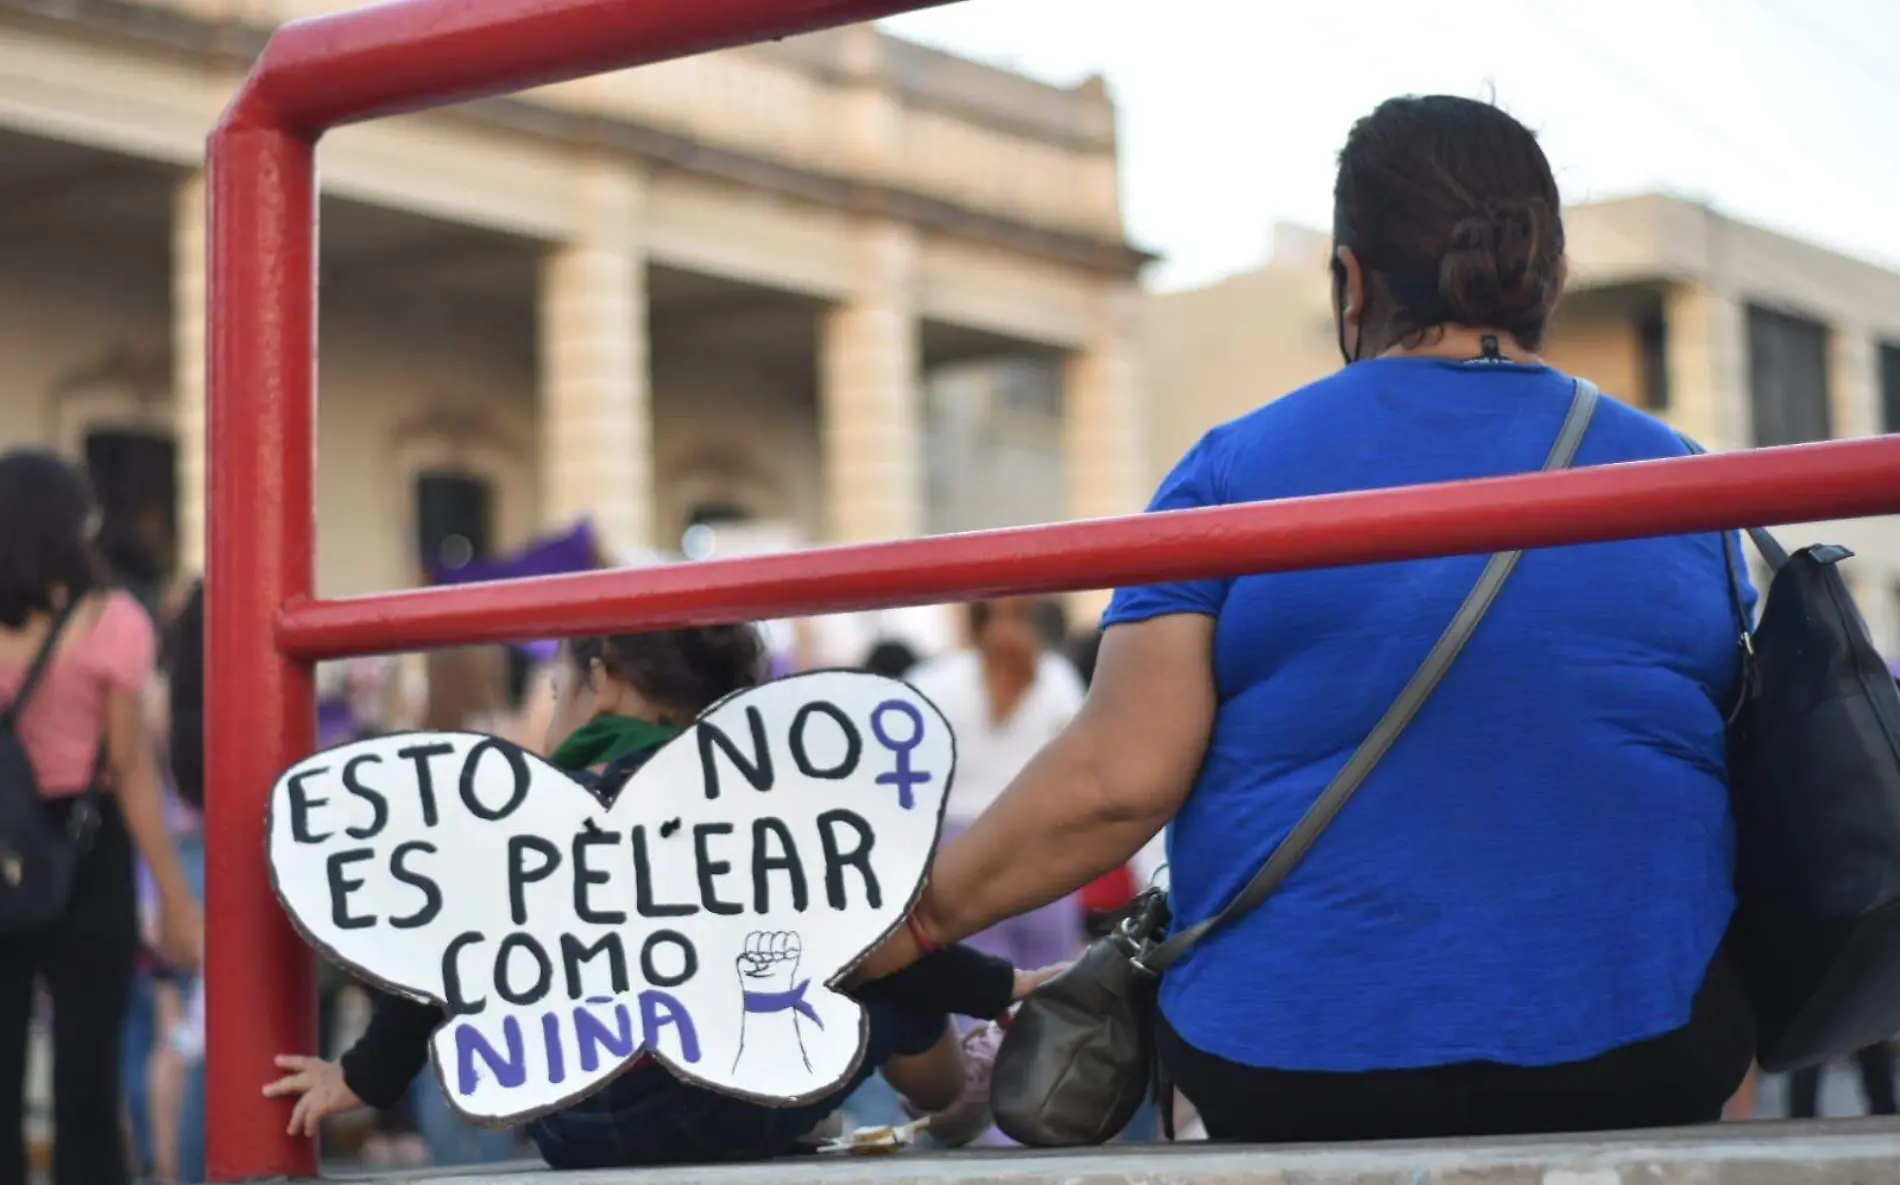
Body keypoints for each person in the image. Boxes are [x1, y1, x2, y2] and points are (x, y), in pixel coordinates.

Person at [849, 95, 1757, 1144]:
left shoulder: (1236, 472)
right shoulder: (1679, 478)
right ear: (1547, 279)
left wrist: (914, 923)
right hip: (1639, 1045)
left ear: (1350, 280)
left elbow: (1115, 782)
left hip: (1291, 1057)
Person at [261, 625, 1061, 1167]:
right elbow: (860, 934)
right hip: (727, 1104)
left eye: (557, 687)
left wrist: (362, 1077)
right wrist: (994, 985)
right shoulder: (744, 809)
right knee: (873, 985)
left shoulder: (521, 818)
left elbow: (457, 953)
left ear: (601, 684)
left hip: (573, 1121)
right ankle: (956, 1098)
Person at [0, 450, 203, 1185]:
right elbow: (132, 769)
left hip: (4, 843)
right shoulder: (113, 620)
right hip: (90, 852)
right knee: (88, 1083)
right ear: (74, 519)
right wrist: (176, 899)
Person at [905, 600, 1086, 971]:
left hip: (957, 845)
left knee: (972, 976)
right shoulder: (1057, 678)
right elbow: (1080, 765)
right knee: (1050, 978)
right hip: (1041, 841)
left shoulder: (934, 679)